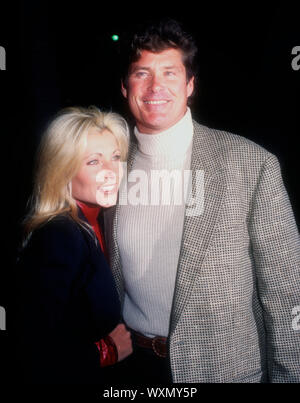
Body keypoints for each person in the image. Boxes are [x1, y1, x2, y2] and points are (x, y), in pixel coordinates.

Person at [103, 19, 300, 383]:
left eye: (169, 73)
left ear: (190, 84)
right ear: (124, 86)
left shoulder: (250, 163)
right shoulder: (106, 166)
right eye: (142, 73)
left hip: (225, 370)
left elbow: (287, 291)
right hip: (134, 368)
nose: (155, 86)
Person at [13, 106, 132, 384]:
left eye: (115, 158)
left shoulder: (97, 222)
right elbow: (29, 350)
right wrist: (105, 352)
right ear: (62, 170)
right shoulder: (59, 236)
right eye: (93, 161)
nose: (110, 171)